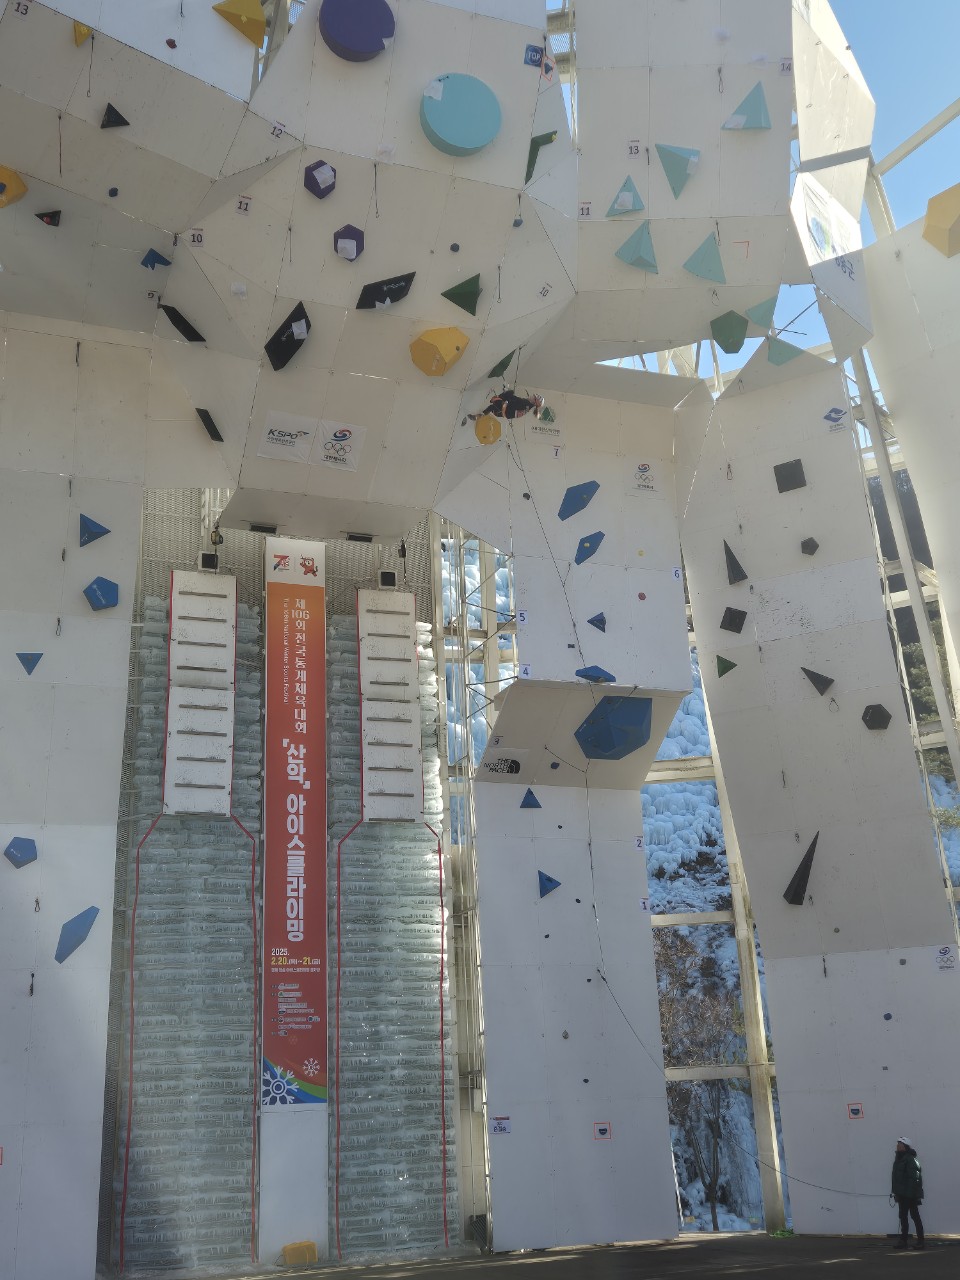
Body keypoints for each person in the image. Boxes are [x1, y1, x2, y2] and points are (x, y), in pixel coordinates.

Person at [891, 1136, 924, 1250]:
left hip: (909, 1195)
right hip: (902, 1194)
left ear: (905, 1147)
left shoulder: (910, 1159)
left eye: (900, 1145)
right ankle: (903, 1241)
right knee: (903, 1217)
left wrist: (910, 1195)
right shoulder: (899, 1158)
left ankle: (920, 1241)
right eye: (898, 1144)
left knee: (915, 1216)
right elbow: (897, 1178)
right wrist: (897, 1192)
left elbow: (914, 1178)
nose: (898, 1146)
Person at [466, 389, 544, 423]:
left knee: (494, 405)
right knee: (492, 406)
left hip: (505, 411)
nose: (531, 396)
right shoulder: (527, 405)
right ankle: (478, 416)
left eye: (533, 397)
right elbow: (515, 401)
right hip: (504, 411)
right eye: (533, 396)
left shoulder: (526, 404)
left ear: (535, 402)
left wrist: (506, 399)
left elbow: (514, 403)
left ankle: (477, 417)